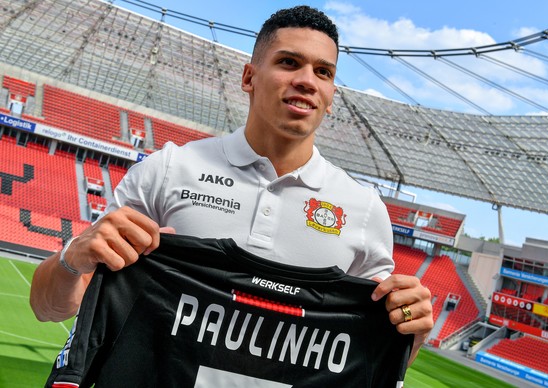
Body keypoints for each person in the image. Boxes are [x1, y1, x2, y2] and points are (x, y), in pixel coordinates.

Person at [30, 5, 433, 366]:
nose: (307, 80)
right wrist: (73, 259)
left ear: (330, 96)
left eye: (323, 72)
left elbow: (373, 354)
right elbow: (47, 307)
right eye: (290, 62)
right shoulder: (171, 169)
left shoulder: (363, 209)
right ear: (248, 77)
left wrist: (413, 329)